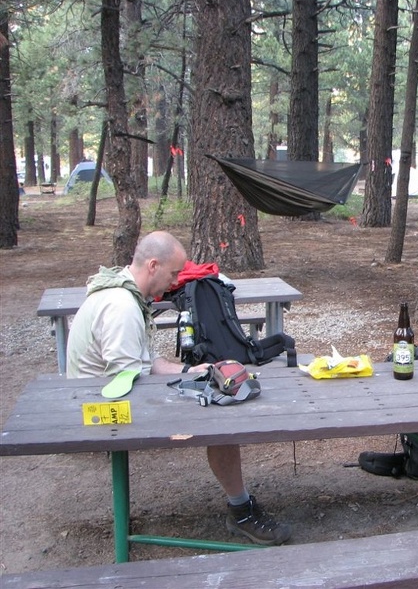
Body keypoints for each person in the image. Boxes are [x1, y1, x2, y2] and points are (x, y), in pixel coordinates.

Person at [66, 231, 291, 546]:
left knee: (209, 390)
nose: (175, 282)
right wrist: (196, 388)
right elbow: (130, 382)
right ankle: (241, 512)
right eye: (173, 273)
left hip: (101, 395)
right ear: (154, 266)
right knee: (219, 415)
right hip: (99, 413)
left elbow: (139, 365)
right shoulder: (122, 307)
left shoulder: (122, 288)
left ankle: (240, 505)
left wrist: (189, 371)